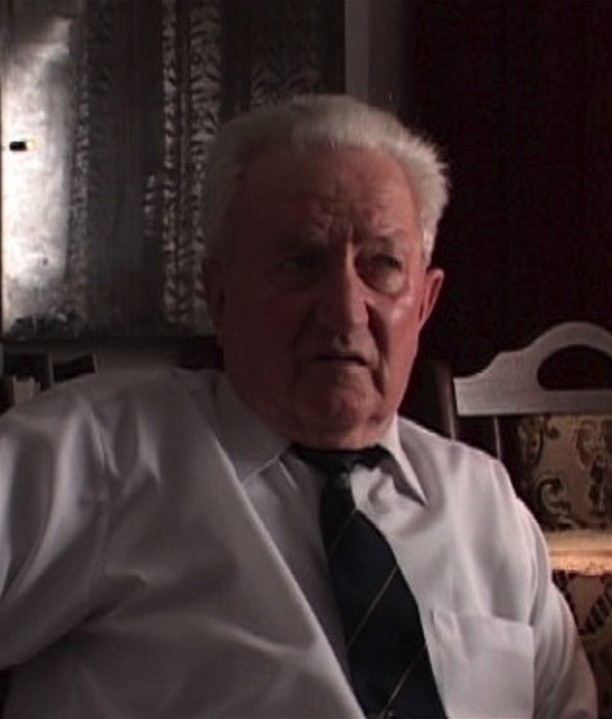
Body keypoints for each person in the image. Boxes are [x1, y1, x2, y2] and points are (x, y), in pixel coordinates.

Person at [0, 95, 595, 718]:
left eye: (382, 266)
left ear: (424, 302)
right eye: (301, 263)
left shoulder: (486, 507)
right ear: (219, 294)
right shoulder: (99, 455)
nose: (344, 311)